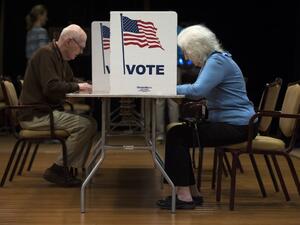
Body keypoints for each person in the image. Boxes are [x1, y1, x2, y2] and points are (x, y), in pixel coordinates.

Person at [157, 25, 257, 209]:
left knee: (177, 136)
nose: (186, 57)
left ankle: (184, 195)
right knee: (179, 133)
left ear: (197, 48)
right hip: (234, 123)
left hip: (238, 126)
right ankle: (190, 193)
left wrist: (167, 87)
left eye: (187, 52)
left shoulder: (217, 61)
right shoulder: (216, 60)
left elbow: (197, 90)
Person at [19, 24, 97, 187]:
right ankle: (58, 169)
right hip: (36, 115)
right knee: (86, 125)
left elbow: (70, 81)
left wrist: (86, 84)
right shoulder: (46, 54)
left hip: (45, 112)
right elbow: (51, 87)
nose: (81, 52)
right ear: (69, 41)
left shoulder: (59, 57)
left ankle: (69, 168)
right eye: (80, 47)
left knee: (91, 123)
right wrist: (78, 87)